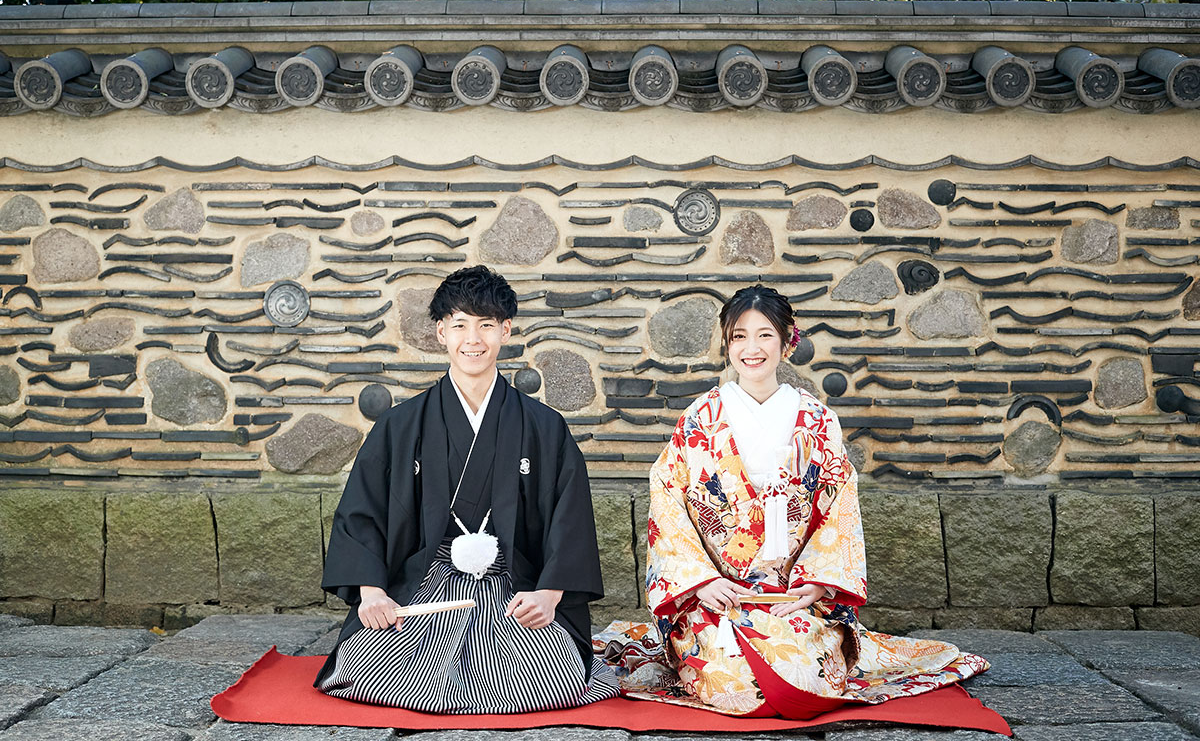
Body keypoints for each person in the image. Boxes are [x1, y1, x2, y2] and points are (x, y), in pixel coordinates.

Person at [634, 284, 988, 717]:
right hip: (720, 596)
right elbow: (667, 503)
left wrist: (820, 581)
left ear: (787, 342)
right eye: (739, 335)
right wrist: (702, 581)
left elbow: (839, 505)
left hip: (794, 593)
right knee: (733, 677)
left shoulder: (817, 420)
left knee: (807, 672)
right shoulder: (698, 420)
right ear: (727, 344)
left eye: (765, 334)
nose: (752, 348)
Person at [315, 265, 619, 713]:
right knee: (367, 668)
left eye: (486, 326)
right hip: (425, 584)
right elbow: (362, 512)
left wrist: (550, 594)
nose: (472, 340)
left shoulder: (544, 427)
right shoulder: (401, 426)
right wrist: (372, 591)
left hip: (514, 583)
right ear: (440, 332)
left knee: (553, 678)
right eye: (459, 325)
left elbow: (568, 518)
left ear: (506, 331)